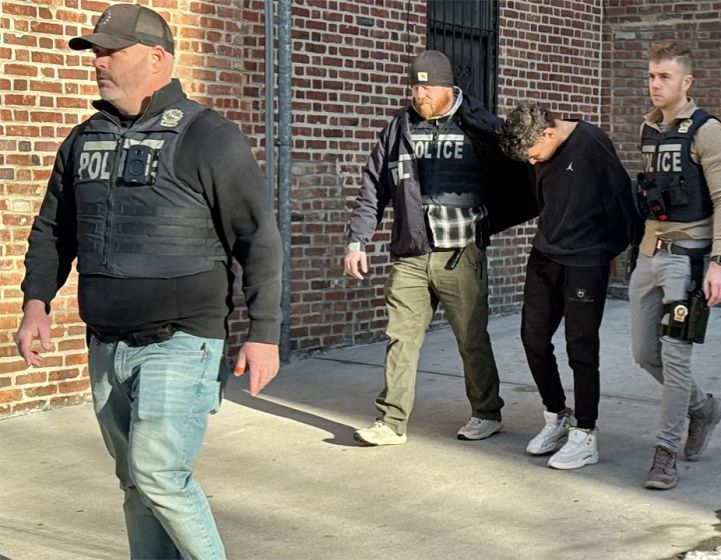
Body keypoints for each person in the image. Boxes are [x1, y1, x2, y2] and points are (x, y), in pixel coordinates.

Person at [15, 5, 283, 558]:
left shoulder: (208, 136)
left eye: (111, 51)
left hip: (181, 340)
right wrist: (36, 303)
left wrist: (264, 333)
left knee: (159, 473)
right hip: (106, 343)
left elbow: (257, 237)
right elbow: (53, 231)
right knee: (135, 484)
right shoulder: (83, 140)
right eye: (96, 52)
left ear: (157, 58)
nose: (99, 62)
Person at [344, 50, 534, 446]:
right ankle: (391, 422)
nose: (419, 95)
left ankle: (486, 412)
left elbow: (522, 171)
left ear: (448, 87)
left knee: (471, 338)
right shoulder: (398, 130)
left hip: (461, 253)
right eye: (414, 88)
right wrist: (357, 240)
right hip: (412, 252)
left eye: (427, 88)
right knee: (400, 337)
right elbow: (373, 188)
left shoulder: (480, 126)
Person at [497, 102, 639, 470]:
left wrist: (608, 252)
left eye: (533, 154)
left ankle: (586, 434)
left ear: (548, 133)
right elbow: (541, 198)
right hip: (545, 256)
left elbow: (622, 201)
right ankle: (557, 415)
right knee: (533, 338)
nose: (532, 162)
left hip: (585, 262)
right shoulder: (539, 148)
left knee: (581, 348)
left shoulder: (592, 143)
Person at [630, 40, 721, 490]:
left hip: (688, 260)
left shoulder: (706, 130)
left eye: (665, 77)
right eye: (651, 76)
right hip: (648, 255)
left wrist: (719, 262)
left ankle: (665, 453)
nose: (655, 85)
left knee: (675, 359)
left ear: (686, 81)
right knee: (644, 353)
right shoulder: (648, 127)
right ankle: (704, 407)